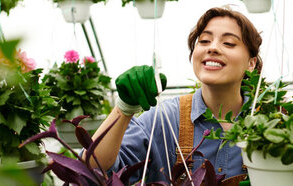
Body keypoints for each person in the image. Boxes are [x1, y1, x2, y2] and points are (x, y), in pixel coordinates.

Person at [83, 7, 263, 184]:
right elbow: (94, 173)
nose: (213, 48)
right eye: (205, 41)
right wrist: (124, 109)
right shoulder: (164, 119)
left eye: (229, 43)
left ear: (251, 63)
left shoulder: (271, 122)